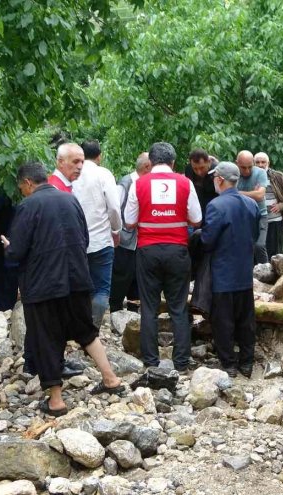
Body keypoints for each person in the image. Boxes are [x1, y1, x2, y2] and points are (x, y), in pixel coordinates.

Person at [2, 161, 124, 417]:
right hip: (77, 279)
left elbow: (17, 251)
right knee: (86, 331)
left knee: (46, 337)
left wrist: (7, 246)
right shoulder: (70, 200)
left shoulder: (28, 206)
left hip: (43, 284)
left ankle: (56, 401)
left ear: (27, 183)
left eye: (21, 187)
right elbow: (85, 238)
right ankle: (111, 379)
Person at [124, 142, 202, 371]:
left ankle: (151, 361)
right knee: (178, 307)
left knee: (149, 307)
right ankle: (181, 362)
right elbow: (197, 219)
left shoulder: (139, 184)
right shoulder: (185, 182)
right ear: (173, 162)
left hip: (148, 251)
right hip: (177, 250)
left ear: (150, 163)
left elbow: (129, 221)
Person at [201, 162, 259, 378]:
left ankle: (229, 364)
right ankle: (247, 362)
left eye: (214, 177)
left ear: (220, 179)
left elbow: (208, 241)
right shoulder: (251, 204)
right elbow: (253, 235)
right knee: (246, 320)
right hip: (244, 271)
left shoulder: (216, 205)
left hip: (223, 272)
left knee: (223, 321)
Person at [73, 140, 122, 328]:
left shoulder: (72, 175)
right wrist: (116, 230)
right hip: (102, 240)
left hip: (77, 241)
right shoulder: (104, 174)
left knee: (80, 287)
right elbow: (114, 208)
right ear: (99, 156)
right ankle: (93, 328)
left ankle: (78, 325)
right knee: (101, 289)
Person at [110, 152, 151, 312]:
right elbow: (115, 209)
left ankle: (133, 312)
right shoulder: (126, 183)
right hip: (125, 240)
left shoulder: (147, 183)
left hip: (141, 241)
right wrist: (118, 233)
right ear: (147, 166)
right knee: (121, 276)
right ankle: (115, 310)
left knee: (137, 277)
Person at [254, 152, 283, 258]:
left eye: (263, 162)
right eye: (257, 162)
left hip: (274, 221)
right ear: (253, 163)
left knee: (274, 254)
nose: (260, 164)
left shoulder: (276, 176)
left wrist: (282, 205)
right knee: (256, 253)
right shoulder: (250, 177)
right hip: (256, 221)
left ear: (268, 163)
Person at [235, 150, 269, 264]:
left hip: (261, 215)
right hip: (242, 217)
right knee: (245, 248)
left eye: (250, 167)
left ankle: (266, 271)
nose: (247, 171)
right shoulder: (233, 175)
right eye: (243, 168)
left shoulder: (260, 173)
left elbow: (259, 195)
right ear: (237, 164)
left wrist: (238, 193)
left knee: (259, 246)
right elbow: (227, 195)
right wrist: (251, 194)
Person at [183, 148, 219, 216]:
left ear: (209, 162)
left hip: (214, 211)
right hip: (196, 210)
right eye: (195, 169)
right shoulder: (188, 169)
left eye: (202, 168)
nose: (199, 172)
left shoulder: (217, 172)